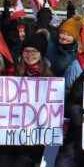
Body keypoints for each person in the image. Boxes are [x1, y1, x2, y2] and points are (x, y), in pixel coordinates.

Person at [0, 33, 52, 166]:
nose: (30, 54)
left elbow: (53, 110)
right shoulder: (12, 73)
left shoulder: (50, 77)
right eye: (26, 50)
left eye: (34, 51)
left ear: (41, 54)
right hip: (10, 135)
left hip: (33, 138)